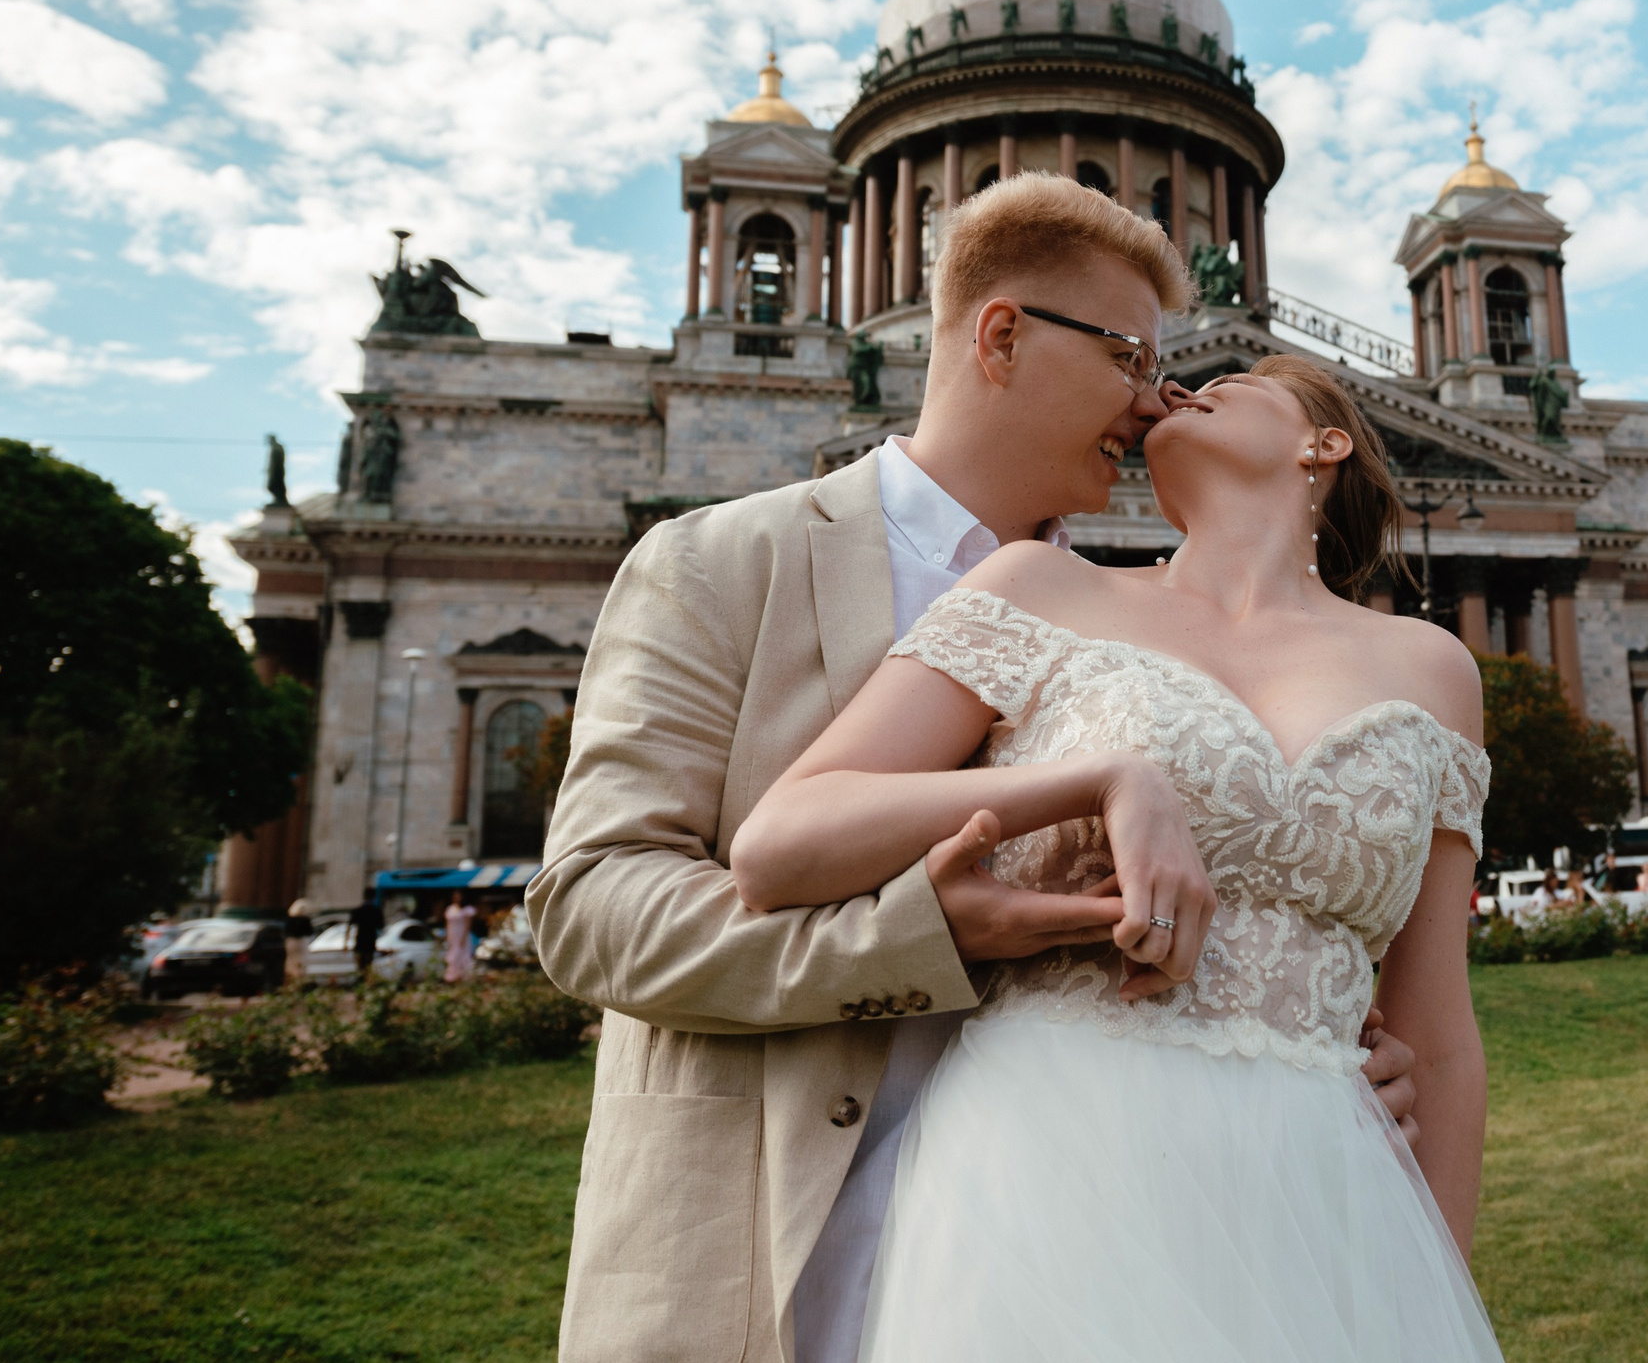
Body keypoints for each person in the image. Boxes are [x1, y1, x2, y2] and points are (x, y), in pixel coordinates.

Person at [527, 176, 1423, 1363]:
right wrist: (921, 938)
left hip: (1096, 1270)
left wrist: (1307, 1056)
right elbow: (593, 909)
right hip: (767, 1263)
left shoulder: (1137, 624)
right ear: (1000, 336)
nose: (1155, 399)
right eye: (1128, 357)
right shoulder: (718, 561)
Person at [728, 353, 1499, 1360]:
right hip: (1054, 1157)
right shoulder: (1040, 585)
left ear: (1325, 442)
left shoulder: (1434, 668)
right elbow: (782, 841)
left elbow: (1439, 1036)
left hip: (1325, 1188)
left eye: (1234, 381)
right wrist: (1099, 778)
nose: (1176, 388)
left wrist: (1435, 1288)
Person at [348, 889, 383, 980]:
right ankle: (367, 981)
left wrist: (345, 942)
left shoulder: (358, 910)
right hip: (370, 941)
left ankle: (361, 979)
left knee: (360, 965)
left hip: (360, 941)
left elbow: (349, 926)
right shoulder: (376, 911)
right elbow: (381, 927)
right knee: (369, 965)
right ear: (374, 897)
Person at [443, 892, 475, 983]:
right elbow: (447, 923)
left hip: (461, 934)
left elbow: (468, 925)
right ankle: (452, 976)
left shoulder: (467, 909)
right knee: (452, 954)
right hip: (452, 934)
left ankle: (464, 976)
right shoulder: (450, 908)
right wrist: (447, 935)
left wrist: (463, 938)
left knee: (461, 954)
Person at [283, 896, 315, 985]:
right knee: (301, 959)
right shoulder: (305, 920)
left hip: (291, 942)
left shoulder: (290, 919)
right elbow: (309, 931)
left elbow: (286, 931)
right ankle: (299, 978)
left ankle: (292, 977)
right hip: (301, 941)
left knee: (291, 960)